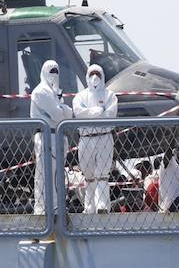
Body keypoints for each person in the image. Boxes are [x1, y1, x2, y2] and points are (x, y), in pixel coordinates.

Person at [72, 64, 118, 214]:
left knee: (102, 174)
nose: (95, 77)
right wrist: (98, 111)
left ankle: (103, 205)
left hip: (104, 138)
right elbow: (79, 113)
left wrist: (88, 113)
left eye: (98, 73)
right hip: (85, 139)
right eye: (92, 73)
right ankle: (89, 206)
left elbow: (110, 115)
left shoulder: (110, 95)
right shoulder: (80, 96)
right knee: (89, 176)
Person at [30, 60, 73, 216]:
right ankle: (43, 208)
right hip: (46, 136)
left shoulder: (53, 93)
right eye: (51, 71)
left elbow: (63, 114)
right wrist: (63, 110)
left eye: (56, 71)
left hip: (57, 136)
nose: (54, 75)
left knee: (56, 175)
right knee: (44, 174)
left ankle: (55, 206)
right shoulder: (41, 92)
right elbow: (59, 115)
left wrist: (62, 110)